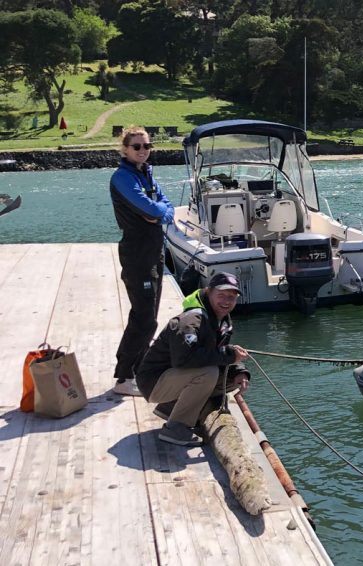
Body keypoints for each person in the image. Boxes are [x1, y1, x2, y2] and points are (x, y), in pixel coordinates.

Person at [135, 272, 251, 446]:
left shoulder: (222, 320)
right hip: (153, 382)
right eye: (221, 295)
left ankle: (171, 409)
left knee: (230, 380)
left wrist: (239, 371)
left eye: (231, 297)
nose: (226, 301)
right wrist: (229, 356)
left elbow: (217, 353)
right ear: (208, 291)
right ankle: (175, 428)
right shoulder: (191, 320)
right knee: (208, 373)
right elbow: (184, 360)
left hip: (174, 378)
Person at [110, 126, 174, 396]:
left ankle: (137, 370)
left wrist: (159, 213)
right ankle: (124, 378)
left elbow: (167, 207)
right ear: (125, 149)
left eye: (147, 146)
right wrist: (158, 211)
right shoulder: (123, 178)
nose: (143, 151)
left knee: (150, 316)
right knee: (143, 317)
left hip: (154, 252)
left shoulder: (145, 174)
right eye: (136, 147)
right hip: (137, 254)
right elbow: (150, 208)